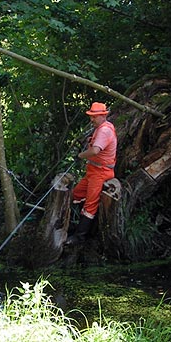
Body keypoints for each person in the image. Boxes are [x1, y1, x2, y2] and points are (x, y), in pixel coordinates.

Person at [65, 101, 117, 245]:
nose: (91, 119)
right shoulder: (103, 127)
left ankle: (80, 236)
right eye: (91, 116)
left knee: (90, 205)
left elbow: (95, 150)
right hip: (93, 171)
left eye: (94, 116)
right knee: (76, 194)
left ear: (102, 116)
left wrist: (80, 155)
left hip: (101, 173)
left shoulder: (104, 130)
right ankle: (76, 226)